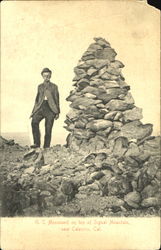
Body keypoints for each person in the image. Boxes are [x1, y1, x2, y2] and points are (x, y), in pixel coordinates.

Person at [30, 68, 60, 148]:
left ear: (50, 76)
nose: (46, 77)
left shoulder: (54, 87)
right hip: (41, 107)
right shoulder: (39, 86)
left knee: (48, 128)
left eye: (48, 75)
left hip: (50, 109)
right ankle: (36, 143)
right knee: (34, 122)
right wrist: (33, 112)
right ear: (42, 76)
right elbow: (37, 100)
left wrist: (57, 112)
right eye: (45, 76)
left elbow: (57, 99)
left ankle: (46, 147)